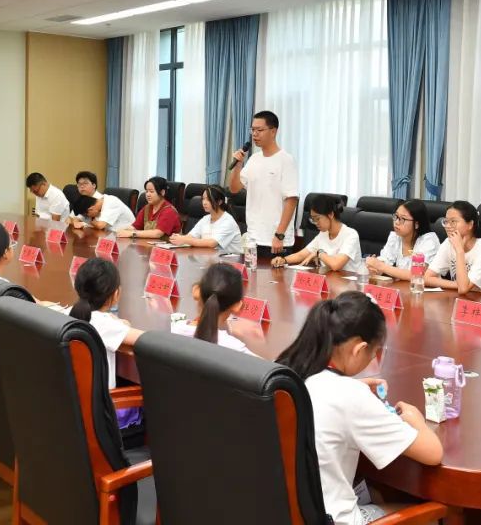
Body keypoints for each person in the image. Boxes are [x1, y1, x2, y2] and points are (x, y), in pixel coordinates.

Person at [276, 291, 442, 525]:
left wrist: (353, 389)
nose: (372, 359)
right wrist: (416, 420)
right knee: (435, 517)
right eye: (373, 353)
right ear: (358, 349)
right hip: (333, 520)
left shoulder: (289, 373)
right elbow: (433, 453)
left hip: (286, 513)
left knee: (376, 495)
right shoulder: (351, 396)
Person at [69, 258, 145, 436]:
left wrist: (117, 323)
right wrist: (120, 325)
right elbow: (146, 339)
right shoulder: (105, 325)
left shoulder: (69, 314)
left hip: (74, 411)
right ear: (116, 293)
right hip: (104, 418)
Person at [229, 110, 298, 257]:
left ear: (273, 131)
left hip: (275, 240)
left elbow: (291, 200)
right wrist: (238, 165)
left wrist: (279, 235)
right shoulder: (254, 159)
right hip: (253, 238)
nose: (255, 134)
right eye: (252, 130)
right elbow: (234, 189)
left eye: (259, 130)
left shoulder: (286, 160)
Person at [426, 201, 481, 296]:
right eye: (446, 221)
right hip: (466, 298)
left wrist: (459, 250)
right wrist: (458, 285)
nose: (447, 226)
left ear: (470, 225)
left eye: (453, 221)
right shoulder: (448, 243)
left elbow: (463, 289)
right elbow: (426, 278)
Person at [170, 263, 254, 354]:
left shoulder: (170, 330)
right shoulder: (236, 349)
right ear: (237, 305)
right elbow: (264, 364)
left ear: (196, 291)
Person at [272, 194, 361, 273]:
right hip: (329, 279)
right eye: (313, 219)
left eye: (317, 219)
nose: (315, 223)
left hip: (348, 283)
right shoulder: (323, 234)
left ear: (330, 214)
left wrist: (319, 253)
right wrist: (283, 260)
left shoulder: (351, 235)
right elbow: (302, 254)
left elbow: (336, 265)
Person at [366, 200, 440, 281]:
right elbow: (385, 260)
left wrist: (380, 266)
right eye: (396, 216)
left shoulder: (429, 241)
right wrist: (374, 269)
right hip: (402, 286)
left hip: (425, 287)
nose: (396, 222)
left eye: (402, 219)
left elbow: (416, 275)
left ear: (416, 224)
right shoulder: (395, 237)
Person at [170, 185, 242, 254]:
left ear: (219, 202)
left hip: (230, 260)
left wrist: (184, 240)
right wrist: (178, 238)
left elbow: (212, 243)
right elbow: (191, 236)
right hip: (210, 257)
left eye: (208, 199)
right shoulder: (206, 218)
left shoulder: (228, 221)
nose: (204, 203)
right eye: (203, 199)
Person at [70, 192, 135, 233]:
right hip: (110, 234)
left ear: (91, 209)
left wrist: (89, 221)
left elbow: (100, 225)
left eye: (87, 215)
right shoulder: (96, 204)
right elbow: (76, 218)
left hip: (128, 236)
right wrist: (76, 223)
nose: (88, 217)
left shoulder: (111, 202)